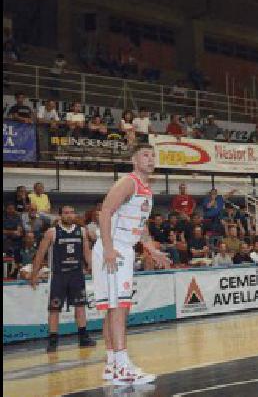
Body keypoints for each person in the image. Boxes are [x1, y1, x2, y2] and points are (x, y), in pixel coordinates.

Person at [92, 143, 171, 385]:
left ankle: (112, 365)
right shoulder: (128, 182)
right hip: (114, 249)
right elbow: (104, 212)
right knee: (118, 309)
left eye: (152, 155)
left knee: (114, 308)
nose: (150, 159)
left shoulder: (146, 190)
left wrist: (151, 249)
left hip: (122, 248)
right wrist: (108, 248)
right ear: (135, 161)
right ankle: (123, 367)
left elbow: (141, 226)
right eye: (145, 155)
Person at [29, 205, 96, 352]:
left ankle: (83, 337)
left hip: (77, 275)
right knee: (54, 309)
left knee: (80, 306)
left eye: (72, 213)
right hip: (58, 275)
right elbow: (40, 254)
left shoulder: (82, 231)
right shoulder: (52, 232)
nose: (70, 215)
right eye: (66, 213)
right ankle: (53, 341)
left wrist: (93, 268)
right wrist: (34, 274)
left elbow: (87, 253)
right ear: (60, 216)